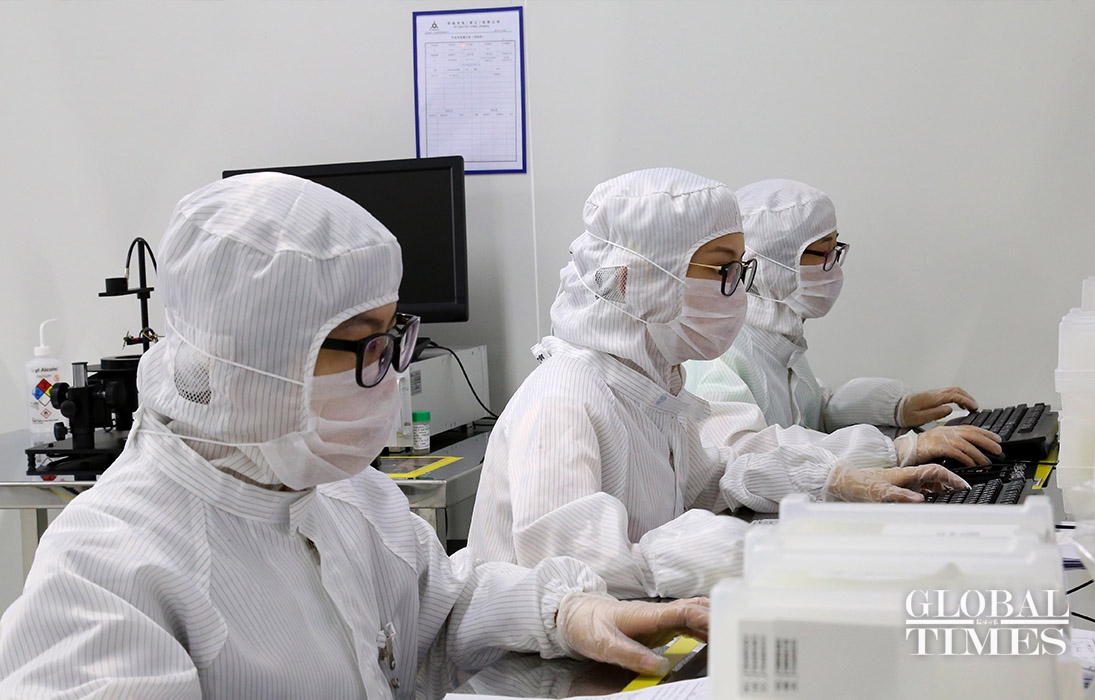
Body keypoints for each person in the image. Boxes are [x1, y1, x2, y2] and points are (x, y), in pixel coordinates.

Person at [0, 173, 711, 698]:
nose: (391, 372)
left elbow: (440, 608)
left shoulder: (344, 495)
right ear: (258, 359)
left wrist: (566, 611)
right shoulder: (107, 571)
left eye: (394, 336)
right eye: (369, 344)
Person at [466, 168, 967, 601]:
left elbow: (712, 478)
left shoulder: (650, 385)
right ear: (636, 280)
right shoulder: (566, 397)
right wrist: (752, 549)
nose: (738, 289)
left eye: (739, 268)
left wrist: (831, 480)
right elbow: (576, 572)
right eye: (723, 269)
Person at [683, 179, 1000, 468]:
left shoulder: (776, 338)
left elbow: (813, 411)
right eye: (823, 251)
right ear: (773, 264)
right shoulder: (720, 353)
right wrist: (894, 449)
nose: (833, 266)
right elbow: (744, 450)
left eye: (836, 248)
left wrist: (898, 408)